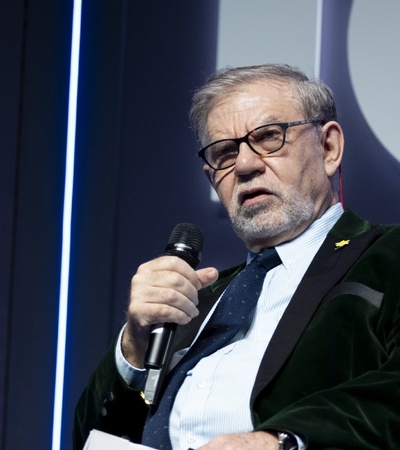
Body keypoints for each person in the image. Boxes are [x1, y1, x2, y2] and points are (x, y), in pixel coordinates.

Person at [73, 64, 400, 450]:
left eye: (269, 137)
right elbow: (88, 436)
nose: (244, 165)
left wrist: (280, 441)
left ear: (328, 148)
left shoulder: (385, 256)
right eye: (225, 152)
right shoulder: (192, 301)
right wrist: (134, 346)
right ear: (212, 178)